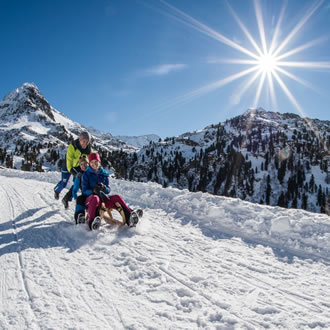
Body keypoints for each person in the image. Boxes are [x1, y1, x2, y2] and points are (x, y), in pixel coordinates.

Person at [81, 152, 142, 230]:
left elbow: (108, 189)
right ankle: (92, 222)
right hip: (91, 200)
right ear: (89, 163)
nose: (94, 164)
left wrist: (104, 189)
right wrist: (93, 191)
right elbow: (84, 191)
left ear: (99, 162)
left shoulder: (104, 174)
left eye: (96, 162)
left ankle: (129, 218)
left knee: (117, 197)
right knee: (95, 198)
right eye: (92, 162)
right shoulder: (86, 174)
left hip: (103, 199)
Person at [54, 131, 92, 209]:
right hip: (67, 166)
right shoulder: (73, 147)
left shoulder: (88, 150)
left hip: (78, 166)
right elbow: (69, 161)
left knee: (78, 182)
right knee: (64, 183)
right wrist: (73, 172)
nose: (85, 143)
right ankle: (57, 190)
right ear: (80, 140)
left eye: (87, 141)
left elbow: (90, 160)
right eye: (83, 141)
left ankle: (67, 198)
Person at [71, 155, 89, 224]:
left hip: (95, 193)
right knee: (80, 199)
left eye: (85, 164)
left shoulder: (93, 172)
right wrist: (75, 199)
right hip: (85, 195)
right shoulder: (79, 176)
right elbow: (74, 190)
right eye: (81, 164)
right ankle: (79, 216)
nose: (83, 166)